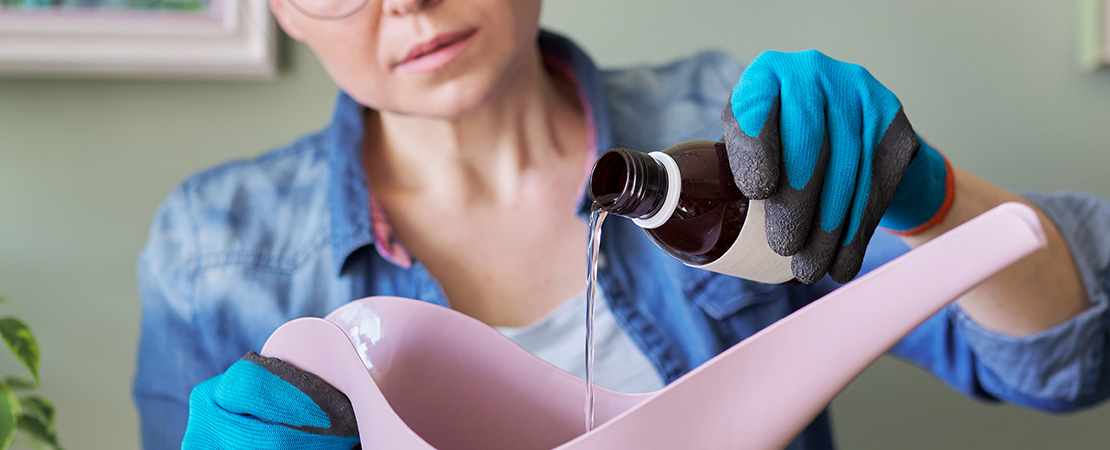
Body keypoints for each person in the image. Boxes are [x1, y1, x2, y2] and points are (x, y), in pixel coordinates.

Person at [133, 0, 1110, 448]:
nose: (408, 2)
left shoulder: (736, 130)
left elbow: (1062, 369)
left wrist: (935, 199)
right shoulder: (213, 251)